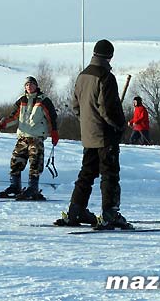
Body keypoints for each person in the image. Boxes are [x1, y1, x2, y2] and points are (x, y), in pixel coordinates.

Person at [54, 39, 133, 230]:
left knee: (87, 173)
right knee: (110, 174)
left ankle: (76, 210)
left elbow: (75, 106)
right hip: (105, 135)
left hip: (88, 134)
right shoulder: (106, 76)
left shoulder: (82, 75)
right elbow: (108, 108)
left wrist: (87, 123)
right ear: (110, 56)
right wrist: (120, 126)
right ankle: (110, 213)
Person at [0, 76, 59, 200]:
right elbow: (13, 117)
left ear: (36, 86)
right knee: (15, 162)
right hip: (22, 137)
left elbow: (52, 117)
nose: (29, 87)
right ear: (25, 87)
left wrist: (54, 131)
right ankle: (15, 187)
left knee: (35, 164)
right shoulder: (21, 100)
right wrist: (2, 124)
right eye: (27, 85)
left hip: (36, 138)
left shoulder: (44, 100)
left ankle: (33, 188)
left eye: (32, 84)